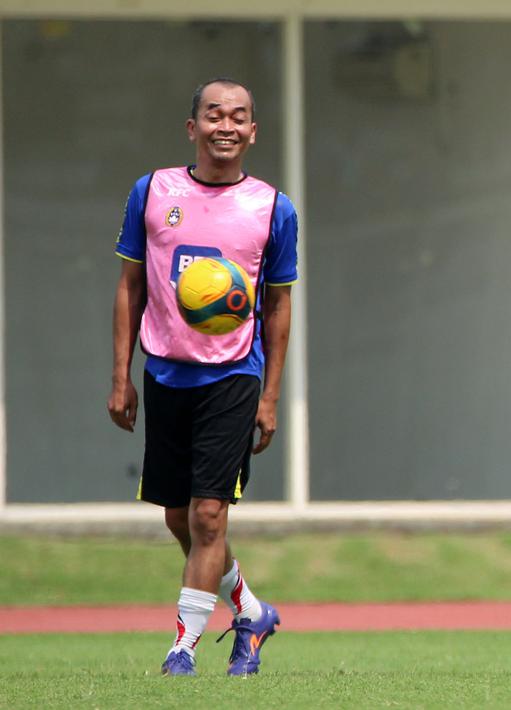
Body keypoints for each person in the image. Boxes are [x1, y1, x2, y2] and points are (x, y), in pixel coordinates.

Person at [107, 77, 298, 677]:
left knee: (209, 515)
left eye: (238, 116)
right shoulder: (152, 190)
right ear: (192, 128)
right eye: (213, 114)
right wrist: (122, 375)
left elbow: (278, 306)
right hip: (164, 374)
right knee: (177, 517)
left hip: (234, 377)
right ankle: (251, 610)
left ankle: (181, 649)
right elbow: (130, 287)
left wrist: (270, 396)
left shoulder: (273, 207)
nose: (226, 125)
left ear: (253, 131)